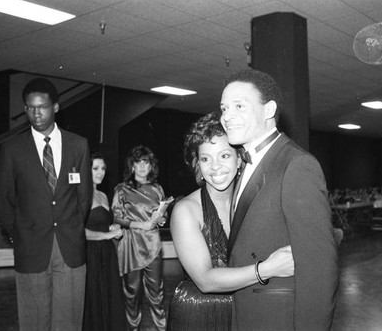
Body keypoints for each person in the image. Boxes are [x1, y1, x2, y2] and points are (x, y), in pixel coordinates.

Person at [220, 68, 339, 331]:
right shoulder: (246, 162)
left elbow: (319, 269)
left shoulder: (297, 165)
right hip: (247, 310)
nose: (227, 116)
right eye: (224, 108)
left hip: (277, 316)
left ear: (268, 109)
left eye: (239, 106)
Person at [167, 111, 295, 331]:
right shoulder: (186, 210)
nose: (215, 167)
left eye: (224, 156)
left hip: (246, 311)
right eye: (206, 158)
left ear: (239, 160)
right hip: (201, 315)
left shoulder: (256, 203)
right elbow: (205, 280)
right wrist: (268, 268)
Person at [0, 77, 92, 330]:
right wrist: (19, 233)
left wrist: (71, 227)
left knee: (69, 319)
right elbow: (3, 197)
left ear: (56, 107)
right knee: (34, 319)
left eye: (42, 107)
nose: (36, 113)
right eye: (30, 108)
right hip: (31, 245)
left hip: (69, 246)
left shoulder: (78, 145)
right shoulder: (12, 148)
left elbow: (83, 195)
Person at [112, 145, 168, 331]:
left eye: (146, 162)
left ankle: (161, 328)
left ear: (151, 166)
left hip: (153, 245)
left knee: (157, 293)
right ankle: (133, 328)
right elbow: (116, 217)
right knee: (132, 292)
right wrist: (139, 225)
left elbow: (162, 216)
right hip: (131, 245)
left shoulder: (157, 188)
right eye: (139, 162)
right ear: (132, 166)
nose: (143, 166)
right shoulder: (122, 189)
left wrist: (161, 219)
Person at [83, 152, 127, 330]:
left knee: (108, 296)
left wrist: (111, 229)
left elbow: (99, 223)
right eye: (95, 168)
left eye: (103, 169)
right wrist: (107, 235)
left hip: (107, 253)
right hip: (90, 253)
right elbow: (79, 232)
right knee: (93, 297)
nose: (100, 172)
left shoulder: (102, 195)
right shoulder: (82, 195)